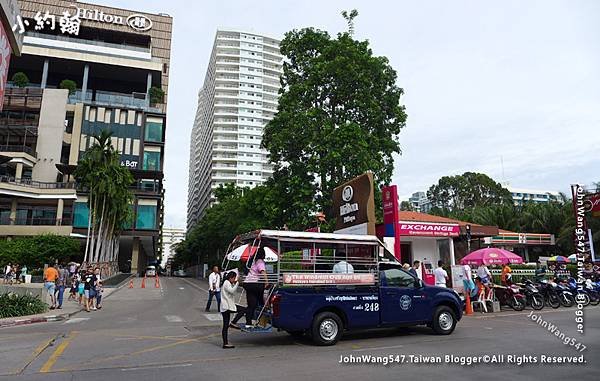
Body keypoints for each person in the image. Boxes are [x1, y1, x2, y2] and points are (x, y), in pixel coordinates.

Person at [220, 271, 247, 349]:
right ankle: (233, 322)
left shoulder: (227, 283)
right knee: (243, 310)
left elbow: (231, 291)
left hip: (225, 307)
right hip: (227, 306)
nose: (235, 279)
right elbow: (232, 291)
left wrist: (235, 283)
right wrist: (237, 283)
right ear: (231, 277)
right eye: (234, 278)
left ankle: (225, 343)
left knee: (225, 326)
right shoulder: (226, 282)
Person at [243, 248, 269, 326]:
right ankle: (263, 304)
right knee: (261, 297)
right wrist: (267, 282)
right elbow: (263, 272)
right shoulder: (260, 261)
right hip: (254, 283)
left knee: (251, 305)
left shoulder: (252, 261)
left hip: (247, 283)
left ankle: (248, 323)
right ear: (262, 254)